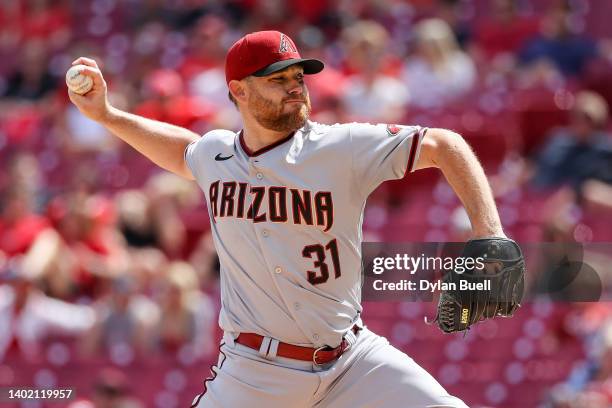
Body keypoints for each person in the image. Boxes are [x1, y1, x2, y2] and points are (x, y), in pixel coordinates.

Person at [68, 30, 509, 408]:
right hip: (253, 373)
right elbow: (184, 150)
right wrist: (107, 115)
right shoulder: (217, 155)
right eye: (277, 79)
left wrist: (489, 232)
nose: (295, 87)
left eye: (298, 76)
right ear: (238, 90)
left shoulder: (340, 147)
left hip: (351, 361)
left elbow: (444, 145)